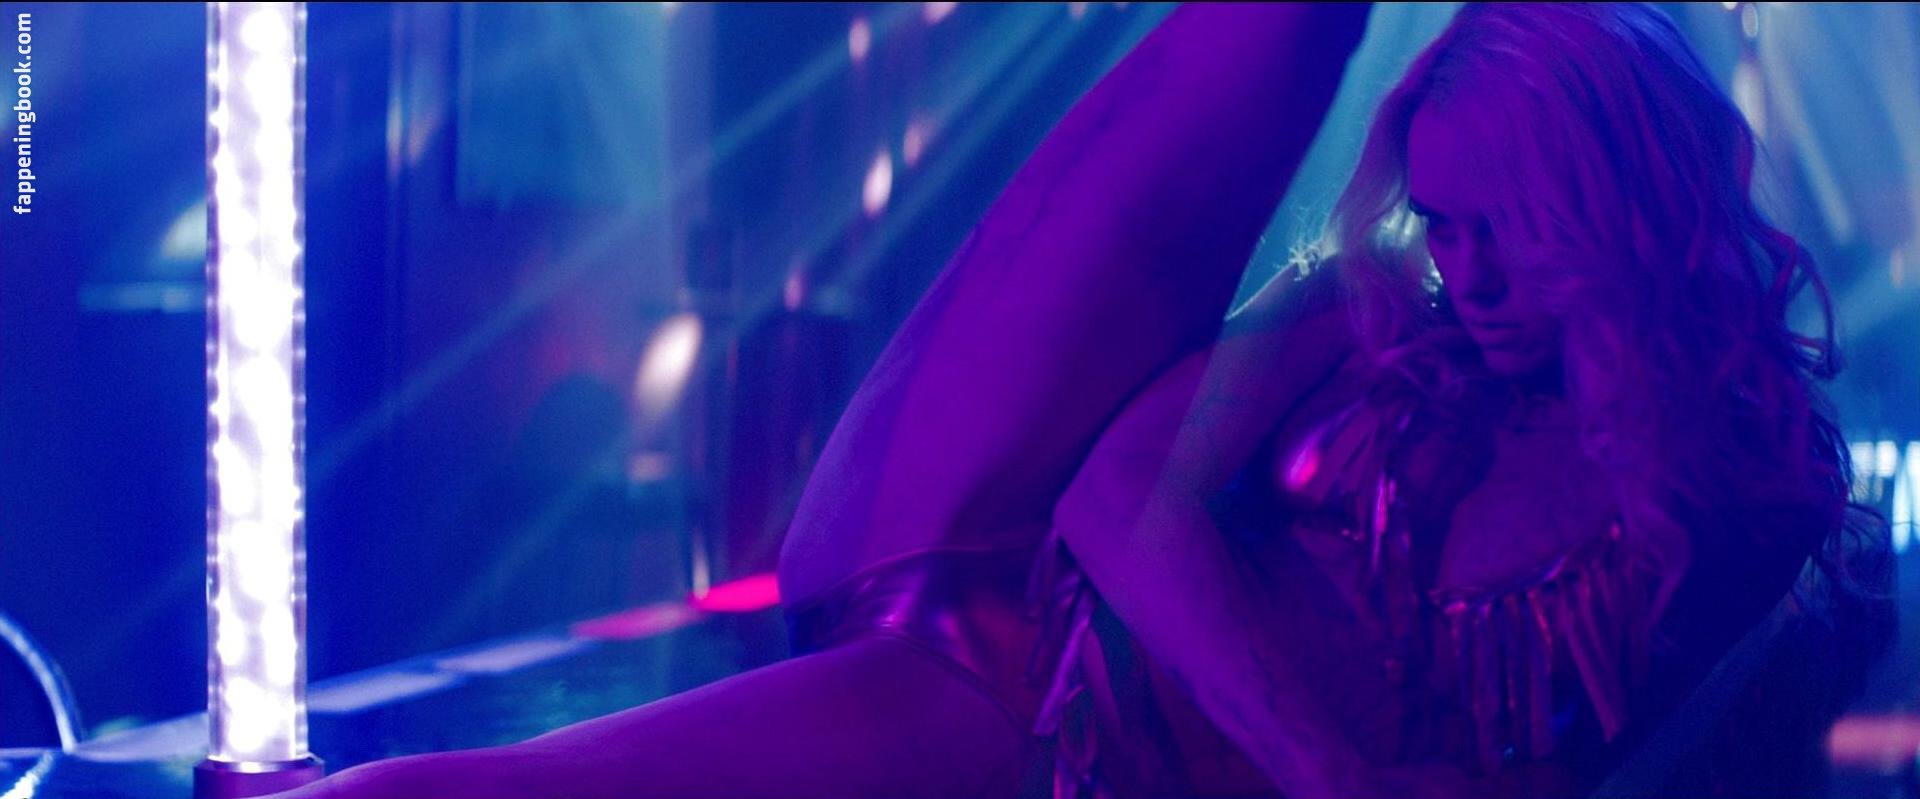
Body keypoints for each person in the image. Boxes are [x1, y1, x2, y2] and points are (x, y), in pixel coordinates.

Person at [279, 4, 1890, 798]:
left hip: (1051, 742)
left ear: (1611, 202)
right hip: (1023, 627)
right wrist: (1333, 774)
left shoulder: (1757, 499)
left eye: (1502, 228)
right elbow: (1118, 498)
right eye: (1439, 220)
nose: (1458, 267)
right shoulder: (1386, 307)